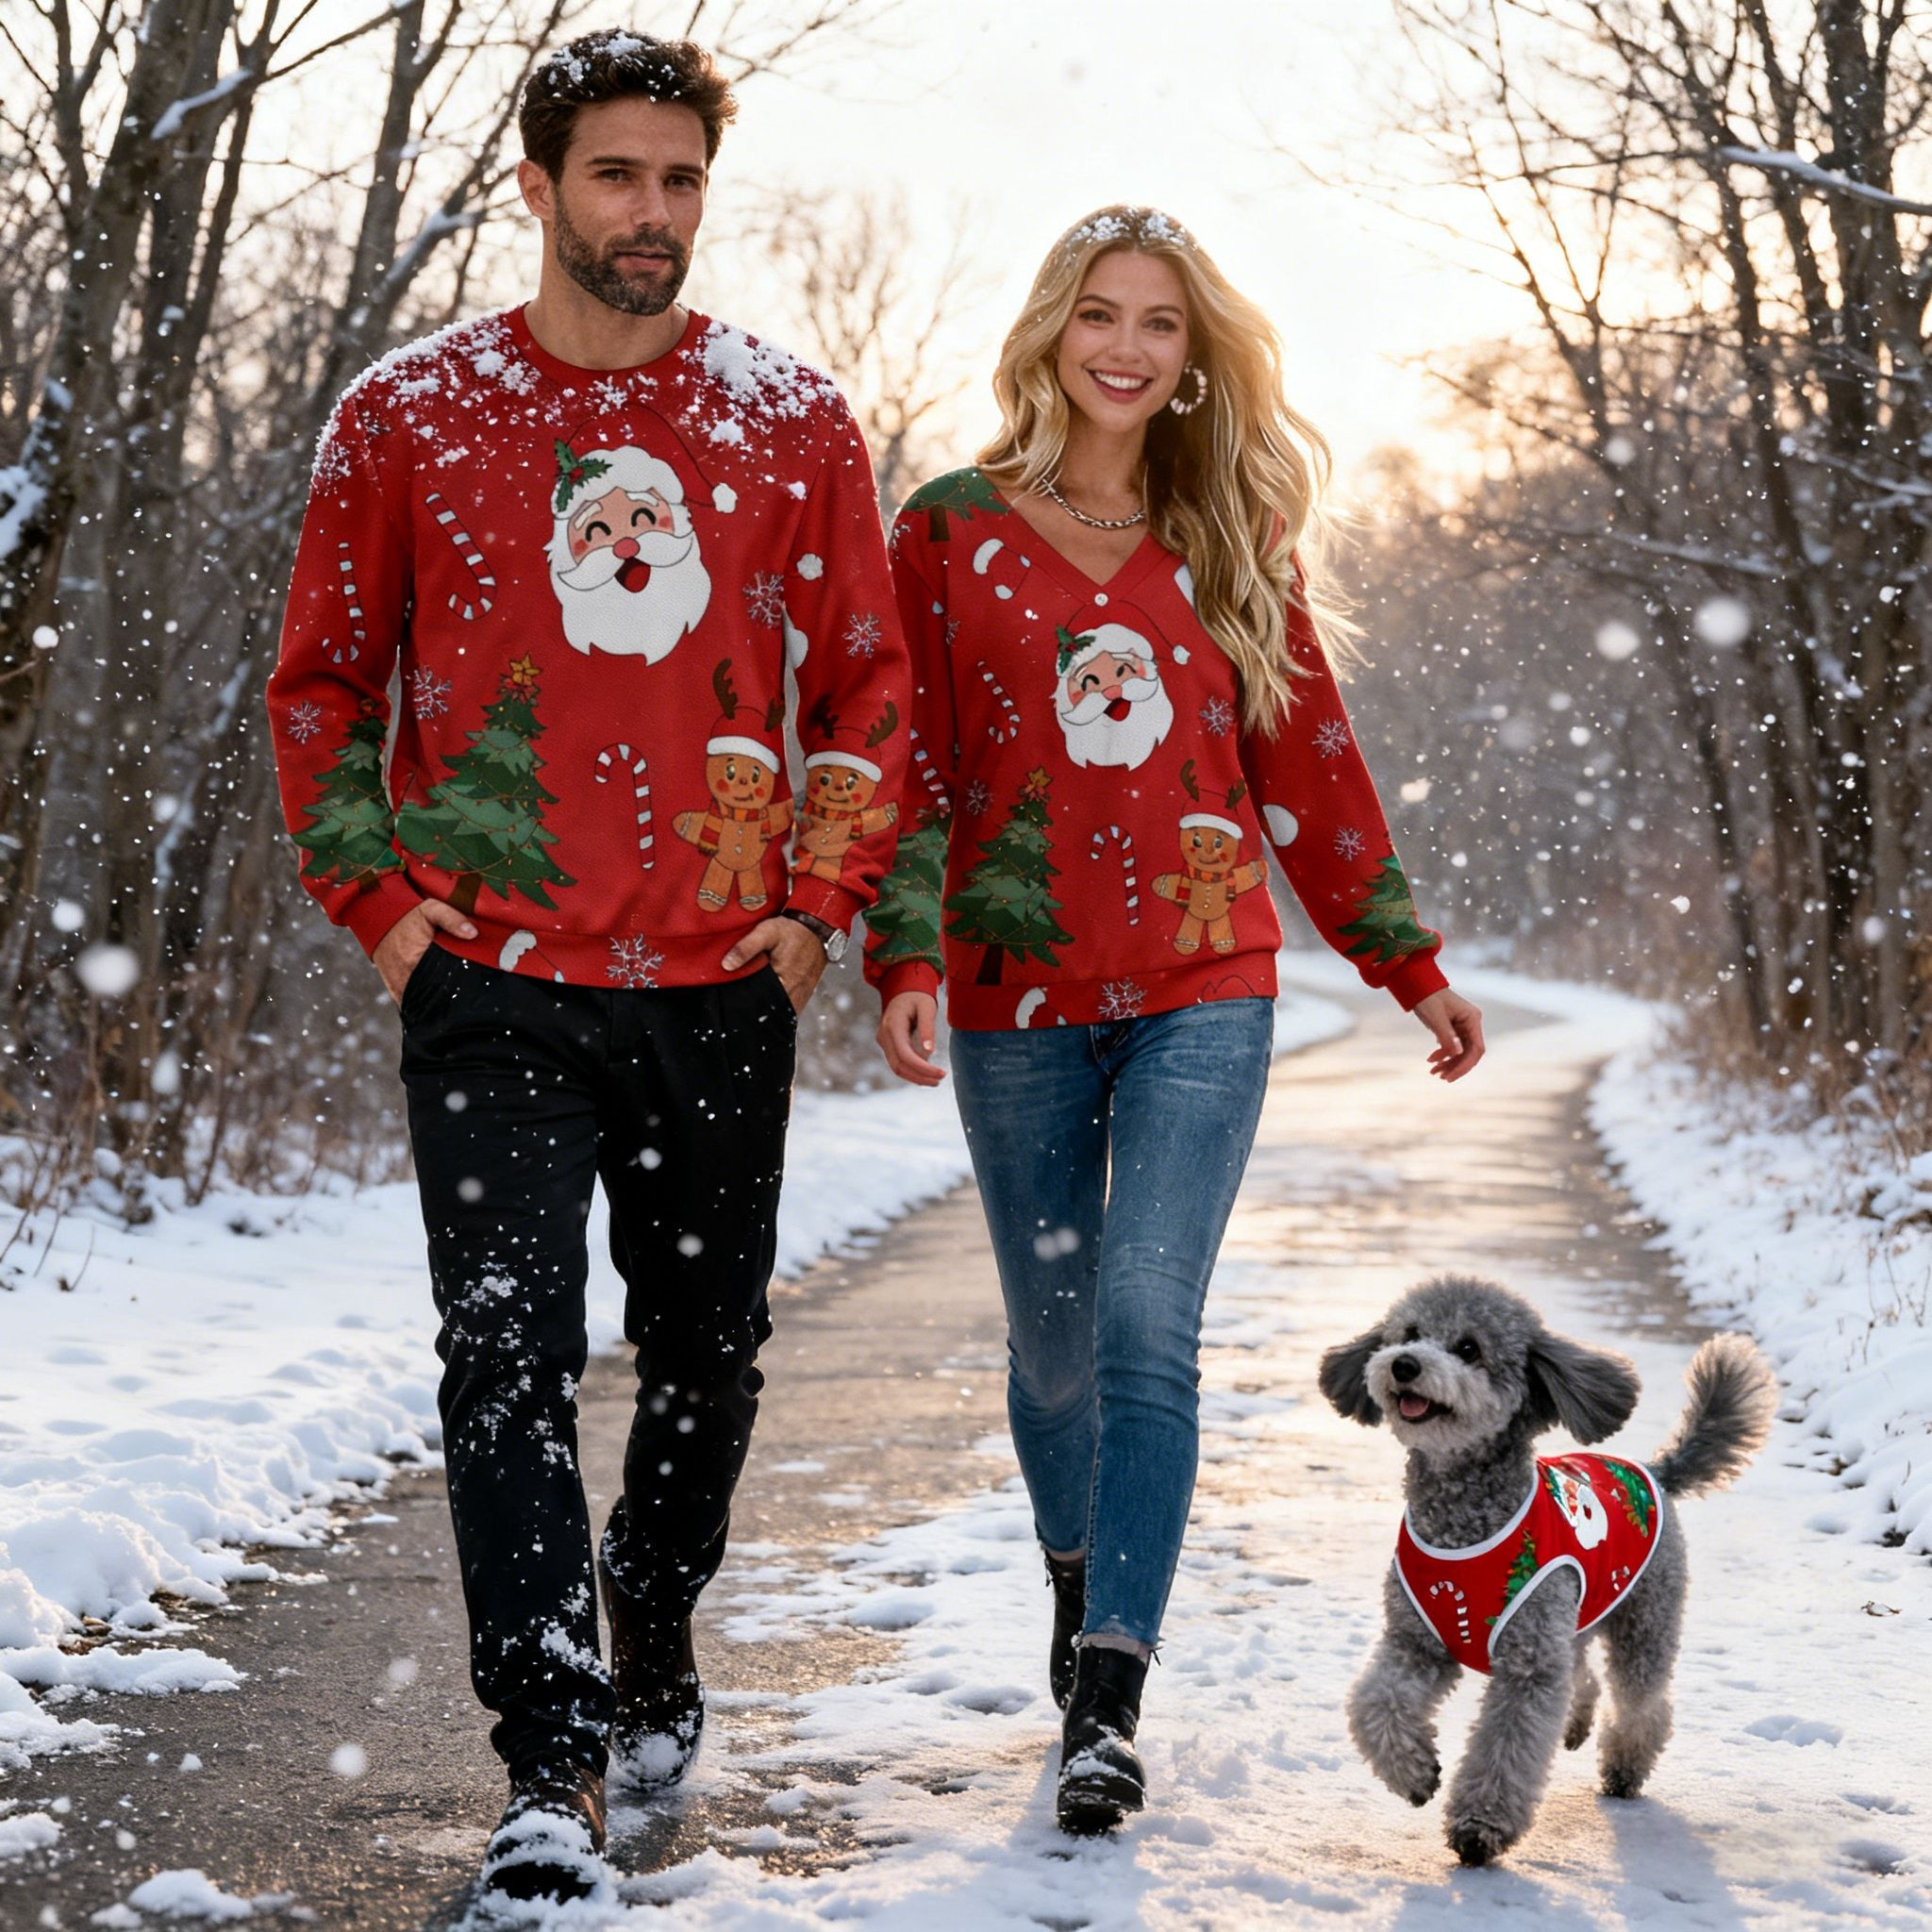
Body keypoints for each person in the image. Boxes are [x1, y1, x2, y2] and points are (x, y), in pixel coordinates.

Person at [266, 29, 908, 1906]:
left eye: (680, 179)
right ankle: (547, 1765)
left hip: (722, 983)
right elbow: (319, 683)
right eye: (616, 176)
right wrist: (379, 909)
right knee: (503, 1355)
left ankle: (656, 1623)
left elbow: (871, 684)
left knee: (706, 1356)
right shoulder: (413, 413)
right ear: (536, 186)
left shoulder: (791, 424)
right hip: (494, 982)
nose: (651, 214)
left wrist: (816, 904)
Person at [868, 205, 1484, 1835]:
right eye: (1100, 315)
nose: (1128, 348)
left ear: (1195, 356)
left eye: (1159, 323)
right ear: (1051, 332)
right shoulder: (944, 531)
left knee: (1148, 1321)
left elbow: (1311, 765)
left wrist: (1397, 954)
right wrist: (903, 952)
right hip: (1012, 990)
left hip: (1207, 981)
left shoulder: (1230, 537)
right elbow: (905, 761)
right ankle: (1081, 1598)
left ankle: (1113, 1694)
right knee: (1056, 1350)